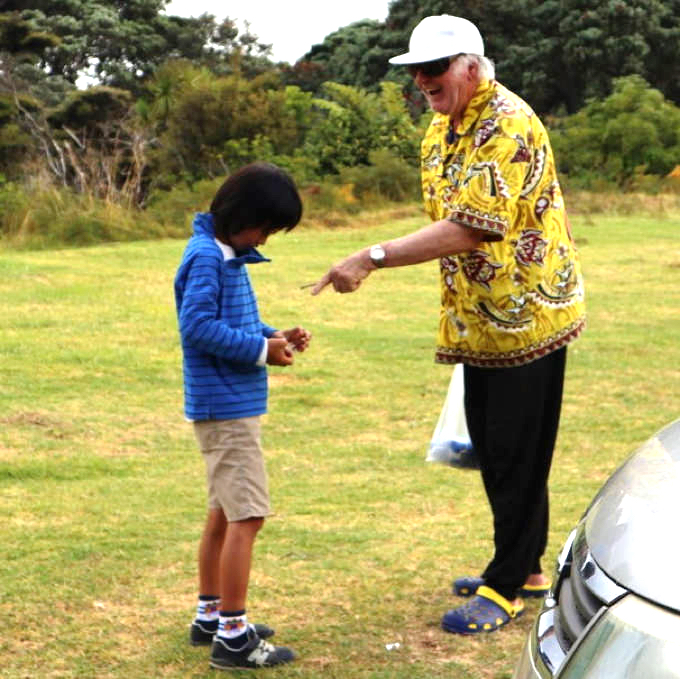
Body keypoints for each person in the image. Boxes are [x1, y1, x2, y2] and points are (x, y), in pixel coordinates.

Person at [312, 15, 585, 635]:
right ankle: (528, 564)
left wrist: (372, 255)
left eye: (434, 70)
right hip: (478, 318)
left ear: (470, 65)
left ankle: (507, 582)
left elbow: (472, 225)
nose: (423, 81)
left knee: (516, 449)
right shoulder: (443, 124)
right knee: (494, 446)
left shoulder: (505, 124)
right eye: (416, 72)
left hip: (526, 314)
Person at [174, 162, 311, 668]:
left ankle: (210, 615)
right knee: (248, 516)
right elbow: (198, 327)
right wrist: (260, 352)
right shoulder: (208, 258)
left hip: (227, 405)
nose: (267, 238)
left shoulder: (225, 252)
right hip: (225, 407)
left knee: (224, 514)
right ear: (242, 215)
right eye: (266, 228)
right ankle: (233, 635)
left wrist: (274, 336)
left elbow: (240, 322)